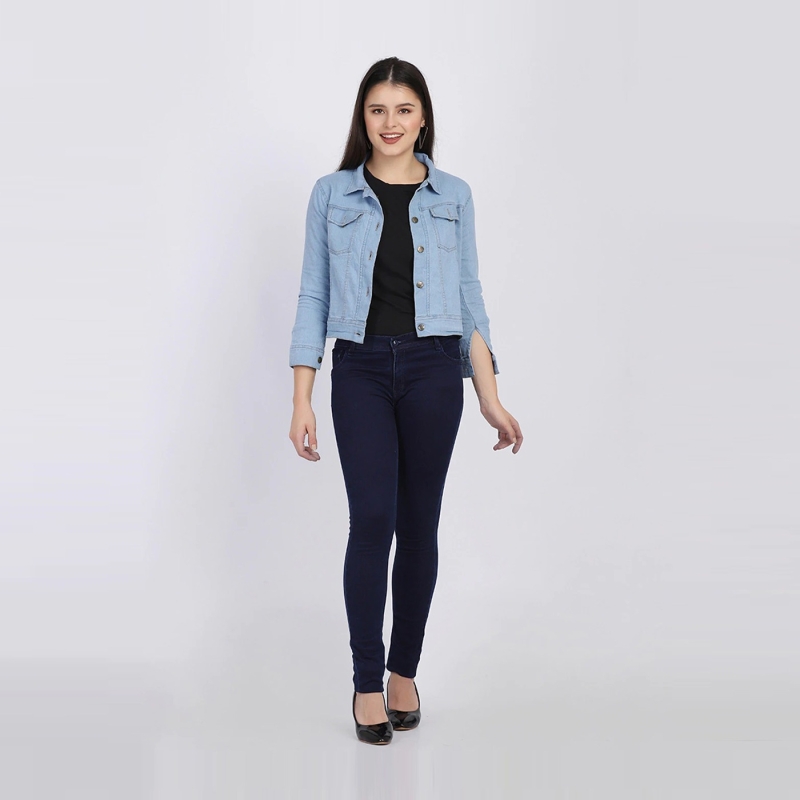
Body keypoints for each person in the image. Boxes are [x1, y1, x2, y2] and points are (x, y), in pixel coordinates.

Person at [288, 56, 523, 745]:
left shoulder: (454, 195)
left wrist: (489, 395)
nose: (390, 123)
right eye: (377, 110)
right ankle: (366, 681)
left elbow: (469, 298)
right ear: (362, 119)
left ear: (423, 119)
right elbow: (313, 295)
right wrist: (302, 397)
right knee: (373, 520)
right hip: (359, 369)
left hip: (432, 368)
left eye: (404, 109)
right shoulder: (332, 194)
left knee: (420, 525)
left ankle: (403, 674)